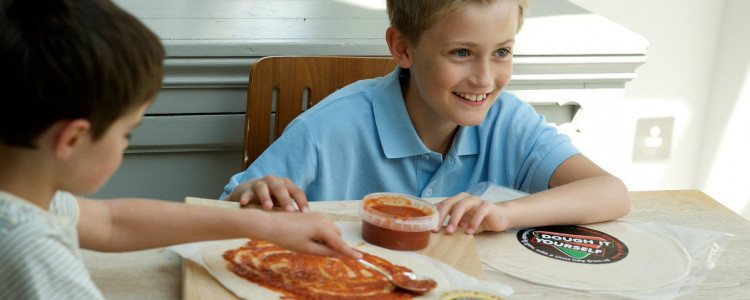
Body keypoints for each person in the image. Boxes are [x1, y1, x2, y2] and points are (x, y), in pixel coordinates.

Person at [0, 0, 361, 298]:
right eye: (128, 133)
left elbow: (112, 223)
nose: (125, 145)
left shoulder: (23, 197)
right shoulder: (33, 251)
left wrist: (268, 226)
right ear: (72, 140)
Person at [221, 0, 630, 235]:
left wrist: (506, 213)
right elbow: (226, 212)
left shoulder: (508, 120)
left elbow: (611, 192)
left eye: (502, 52)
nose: (485, 78)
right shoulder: (325, 129)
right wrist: (256, 191)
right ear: (402, 48)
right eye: (461, 52)